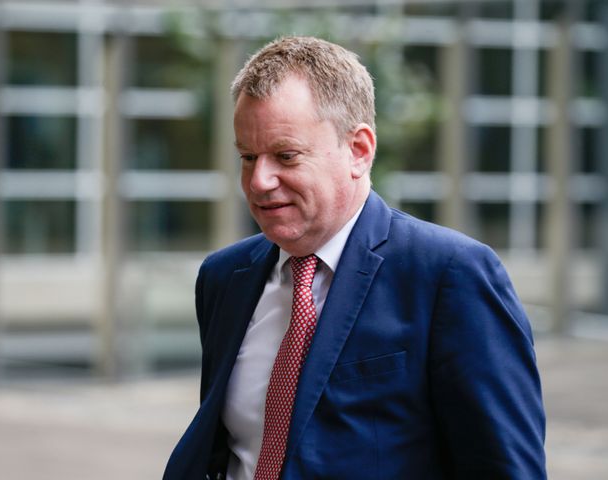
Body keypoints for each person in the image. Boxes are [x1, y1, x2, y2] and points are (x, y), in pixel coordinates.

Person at [164, 36, 546, 479]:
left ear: (359, 151)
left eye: (285, 155)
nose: (259, 180)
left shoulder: (449, 275)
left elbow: (505, 467)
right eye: (248, 157)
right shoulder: (224, 277)